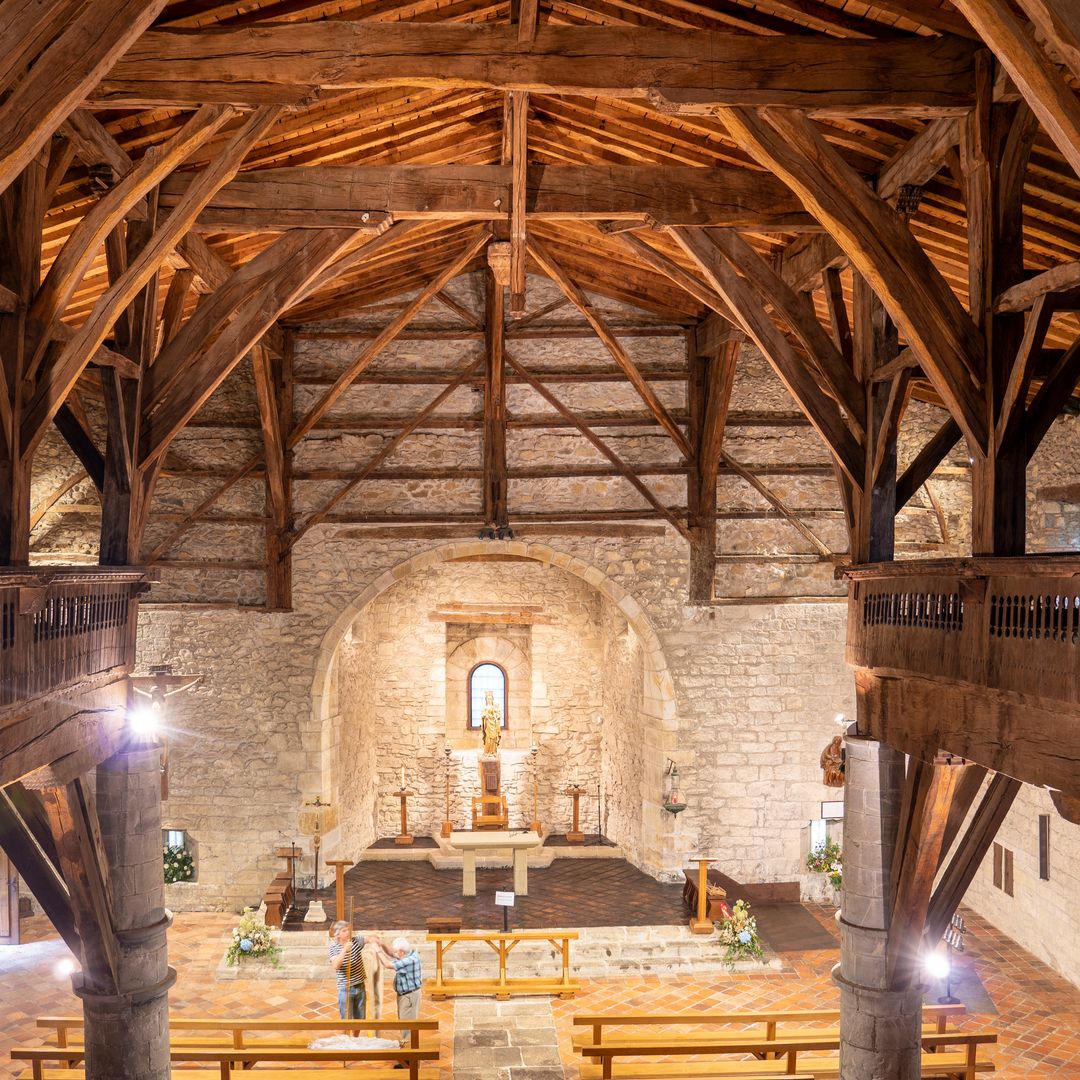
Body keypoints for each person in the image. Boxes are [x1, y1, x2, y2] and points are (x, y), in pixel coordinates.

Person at [377, 935, 423, 1053]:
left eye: (397, 951)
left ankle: (409, 1057)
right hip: (407, 995)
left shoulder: (409, 960)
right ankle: (407, 1051)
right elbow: (392, 953)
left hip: (409, 997)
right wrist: (381, 944)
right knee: (404, 1022)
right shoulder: (409, 953)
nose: (395, 953)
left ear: (401, 952)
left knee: (407, 1025)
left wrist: (377, 951)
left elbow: (387, 964)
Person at [328, 921, 374, 1020]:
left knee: (360, 1019)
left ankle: (357, 1032)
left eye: (349, 929)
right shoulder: (334, 948)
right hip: (345, 989)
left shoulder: (356, 941)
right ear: (338, 934)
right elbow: (336, 965)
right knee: (346, 1020)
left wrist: (374, 940)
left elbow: (370, 938)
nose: (348, 932)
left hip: (360, 986)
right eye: (344, 931)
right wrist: (345, 950)